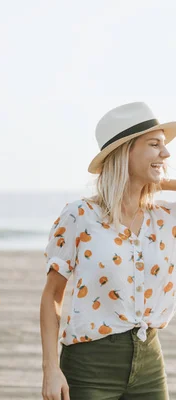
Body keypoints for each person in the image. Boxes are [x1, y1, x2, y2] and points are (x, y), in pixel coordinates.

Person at [40, 102, 176, 400]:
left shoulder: (167, 218)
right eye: (154, 145)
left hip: (149, 361)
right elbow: (52, 296)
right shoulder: (79, 216)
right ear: (124, 151)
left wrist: (159, 180)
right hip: (90, 364)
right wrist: (51, 368)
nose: (166, 154)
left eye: (164, 146)